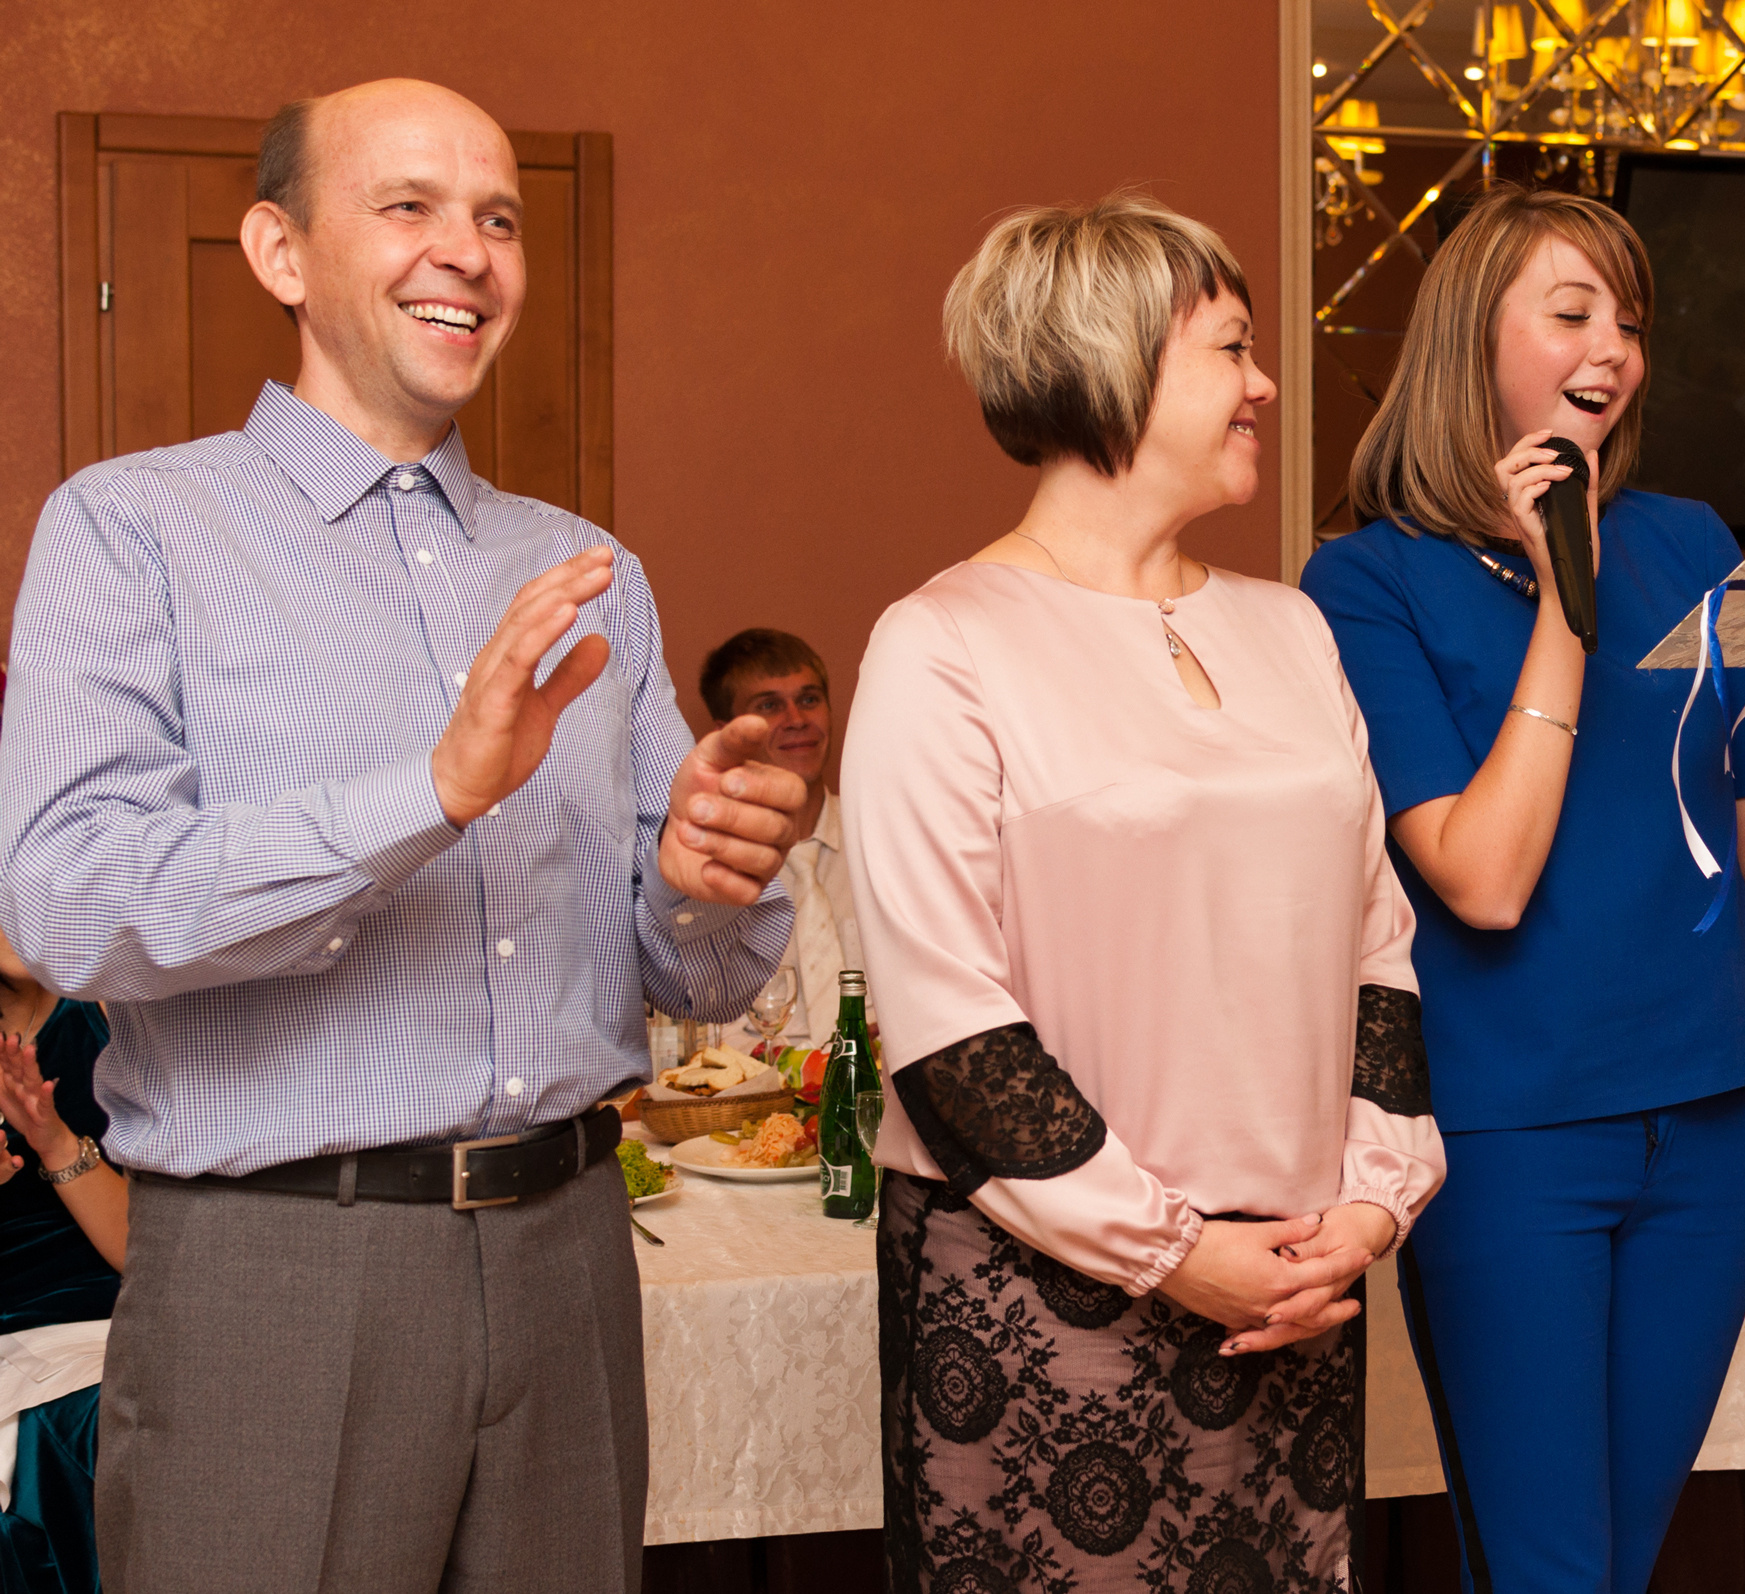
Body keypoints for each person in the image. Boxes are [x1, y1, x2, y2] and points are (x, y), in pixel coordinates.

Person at [0, 80, 806, 1594]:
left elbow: (689, 974)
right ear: (279, 251)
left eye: (499, 217)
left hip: (570, 1258)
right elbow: (74, 903)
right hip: (277, 1275)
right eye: (410, 206)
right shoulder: (130, 532)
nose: (471, 251)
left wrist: (705, 884)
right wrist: (430, 790)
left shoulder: (589, 568)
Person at [1299, 183, 1745, 1592]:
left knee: (1621, 1558)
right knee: (1546, 1568)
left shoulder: (1696, 541)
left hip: (1713, 1111)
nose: (1615, 349)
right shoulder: (1365, 580)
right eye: (1574, 311)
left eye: (1630, 322)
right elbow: (1483, 877)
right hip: (1514, 1131)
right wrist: (1562, 598)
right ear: (1477, 339)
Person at [845, 192, 1445, 1593]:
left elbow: (1377, 947)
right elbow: (947, 1030)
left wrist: (1368, 1204)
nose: (1265, 383)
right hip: (1043, 1297)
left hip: (1296, 1284)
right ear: (1106, 363)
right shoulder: (944, 646)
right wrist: (1178, 1249)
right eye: (1230, 349)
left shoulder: (1290, 626)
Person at [1, 925, 121, 1594]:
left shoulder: (114, 1012)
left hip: (129, 1327)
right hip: (20, 1343)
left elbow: (143, 1251)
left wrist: (51, 1140)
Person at [699, 628, 871, 1049]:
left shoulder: (882, 840)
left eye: (809, 698)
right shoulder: (707, 867)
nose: (797, 719)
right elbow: (708, 1044)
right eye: (770, 705)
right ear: (728, 733)